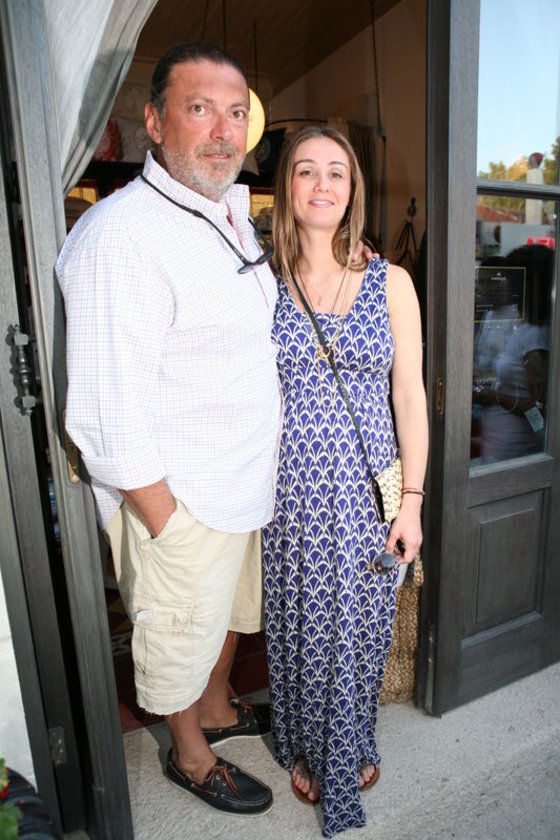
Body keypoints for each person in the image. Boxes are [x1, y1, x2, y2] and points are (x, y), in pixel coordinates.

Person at [56, 42, 283, 816]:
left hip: (241, 483)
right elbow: (103, 412)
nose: (222, 131)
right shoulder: (121, 235)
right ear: (154, 122)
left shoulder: (228, 216)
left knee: (226, 619)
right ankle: (190, 754)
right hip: (179, 497)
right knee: (180, 634)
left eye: (235, 113)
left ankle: (217, 710)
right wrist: (165, 521)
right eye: (199, 109)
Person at [262, 126, 429, 837]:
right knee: (302, 622)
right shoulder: (261, 282)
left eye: (337, 171)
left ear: (353, 188)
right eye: (306, 171)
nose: (322, 184)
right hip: (289, 491)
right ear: (287, 188)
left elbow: (410, 396)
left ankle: (349, 741)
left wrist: (412, 503)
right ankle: (308, 741)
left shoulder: (391, 282)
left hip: (366, 489)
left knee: (357, 626)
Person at [472, 244, 551, 463]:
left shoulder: (535, 335)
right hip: (499, 442)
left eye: (509, 277)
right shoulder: (524, 328)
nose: (505, 283)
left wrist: (494, 397)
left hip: (516, 449)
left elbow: (539, 411)